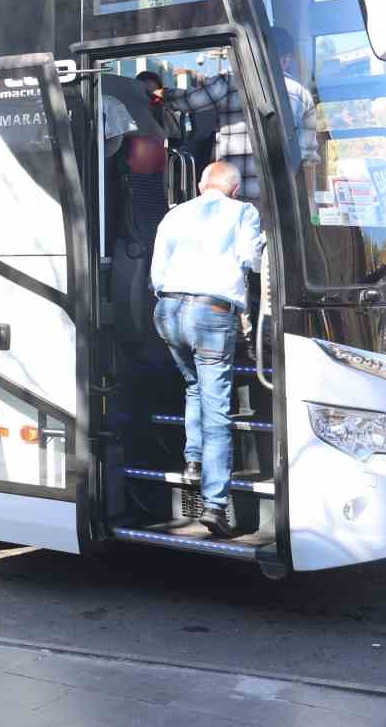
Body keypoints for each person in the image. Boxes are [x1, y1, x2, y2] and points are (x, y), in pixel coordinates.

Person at [151, 160, 265, 538]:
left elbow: (157, 273)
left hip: (168, 310)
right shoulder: (243, 211)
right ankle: (215, 504)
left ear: (202, 186)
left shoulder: (175, 214)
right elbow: (251, 259)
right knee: (217, 407)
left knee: (194, 387)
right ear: (234, 190)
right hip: (212, 313)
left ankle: (193, 462)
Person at [161, 28, 319, 201]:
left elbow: (190, 100)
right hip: (280, 202)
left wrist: (162, 94)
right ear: (287, 59)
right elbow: (307, 156)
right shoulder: (303, 96)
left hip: (234, 194)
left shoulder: (231, 81)